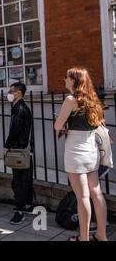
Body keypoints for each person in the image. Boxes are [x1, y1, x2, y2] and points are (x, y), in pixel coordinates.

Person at [54, 68, 108, 242]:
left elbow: (57, 125)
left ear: (74, 81)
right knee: (96, 194)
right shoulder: (93, 100)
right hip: (91, 151)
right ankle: (101, 235)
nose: (64, 80)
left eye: (67, 77)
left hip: (75, 152)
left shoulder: (70, 100)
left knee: (82, 196)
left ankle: (84, 238)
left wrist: (63, 124)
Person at [4, 82, 34, 225]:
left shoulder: (20, 109)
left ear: (18, 93)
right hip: (22, 148)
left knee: (19, 181)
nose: (9, 92)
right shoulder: (17, 107)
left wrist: (7, 145)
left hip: (19, 149)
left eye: (12, 90)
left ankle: (20, 211)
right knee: (24, 179)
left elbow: (15, 130)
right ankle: (27, 205)